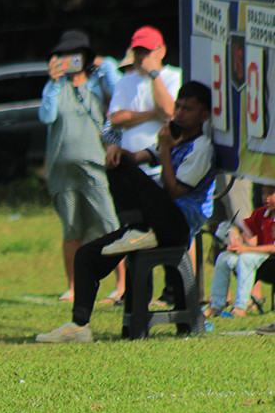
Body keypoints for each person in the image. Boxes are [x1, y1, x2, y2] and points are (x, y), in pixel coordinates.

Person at [37, 81, 216, 343]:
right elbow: (138, 157)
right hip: (153, 224)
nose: (178, 113)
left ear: (204, 115)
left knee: (121, 168)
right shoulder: (175, 139)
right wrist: (117, 151)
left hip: (175, 226)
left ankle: (138, 229)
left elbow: (175, 191)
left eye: (187, 109)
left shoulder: (202, 147)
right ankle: (79, 326)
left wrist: (164, 149)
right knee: (86, 255)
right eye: (177, 106)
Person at [39, 29, 125, 304]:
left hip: (95, 165)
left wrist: (105, 64)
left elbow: (119, 90)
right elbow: (46, 116)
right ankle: (73, 286)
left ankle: (122, 284)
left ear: (85, 57)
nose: (68, 60)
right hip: (61, 170)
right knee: (71, 229)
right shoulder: (54, 87)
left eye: (74, 55)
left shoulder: (98, 84)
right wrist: (53, 83)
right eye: (62, 56)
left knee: (110, 224)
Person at [108, 26, 182, 179]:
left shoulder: (174, 76)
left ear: (161, 51)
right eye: (138, 52)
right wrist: (154, 113)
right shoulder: (125, 81)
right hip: (131, 168)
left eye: (147, 51)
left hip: (161, 169)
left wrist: (154, 75)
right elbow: (115, 119)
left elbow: (169, 112)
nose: (142, 57)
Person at [205, 185, 275, 317]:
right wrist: (234, 235)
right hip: (260, 257)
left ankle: (240, 307)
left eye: (271, 194)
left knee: (245, 258)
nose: (266, 198)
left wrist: (246, 249)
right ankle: (216, 305)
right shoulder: (260, 213)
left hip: (270, 261)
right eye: (263, 193)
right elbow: (240, 226)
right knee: (224, 258)